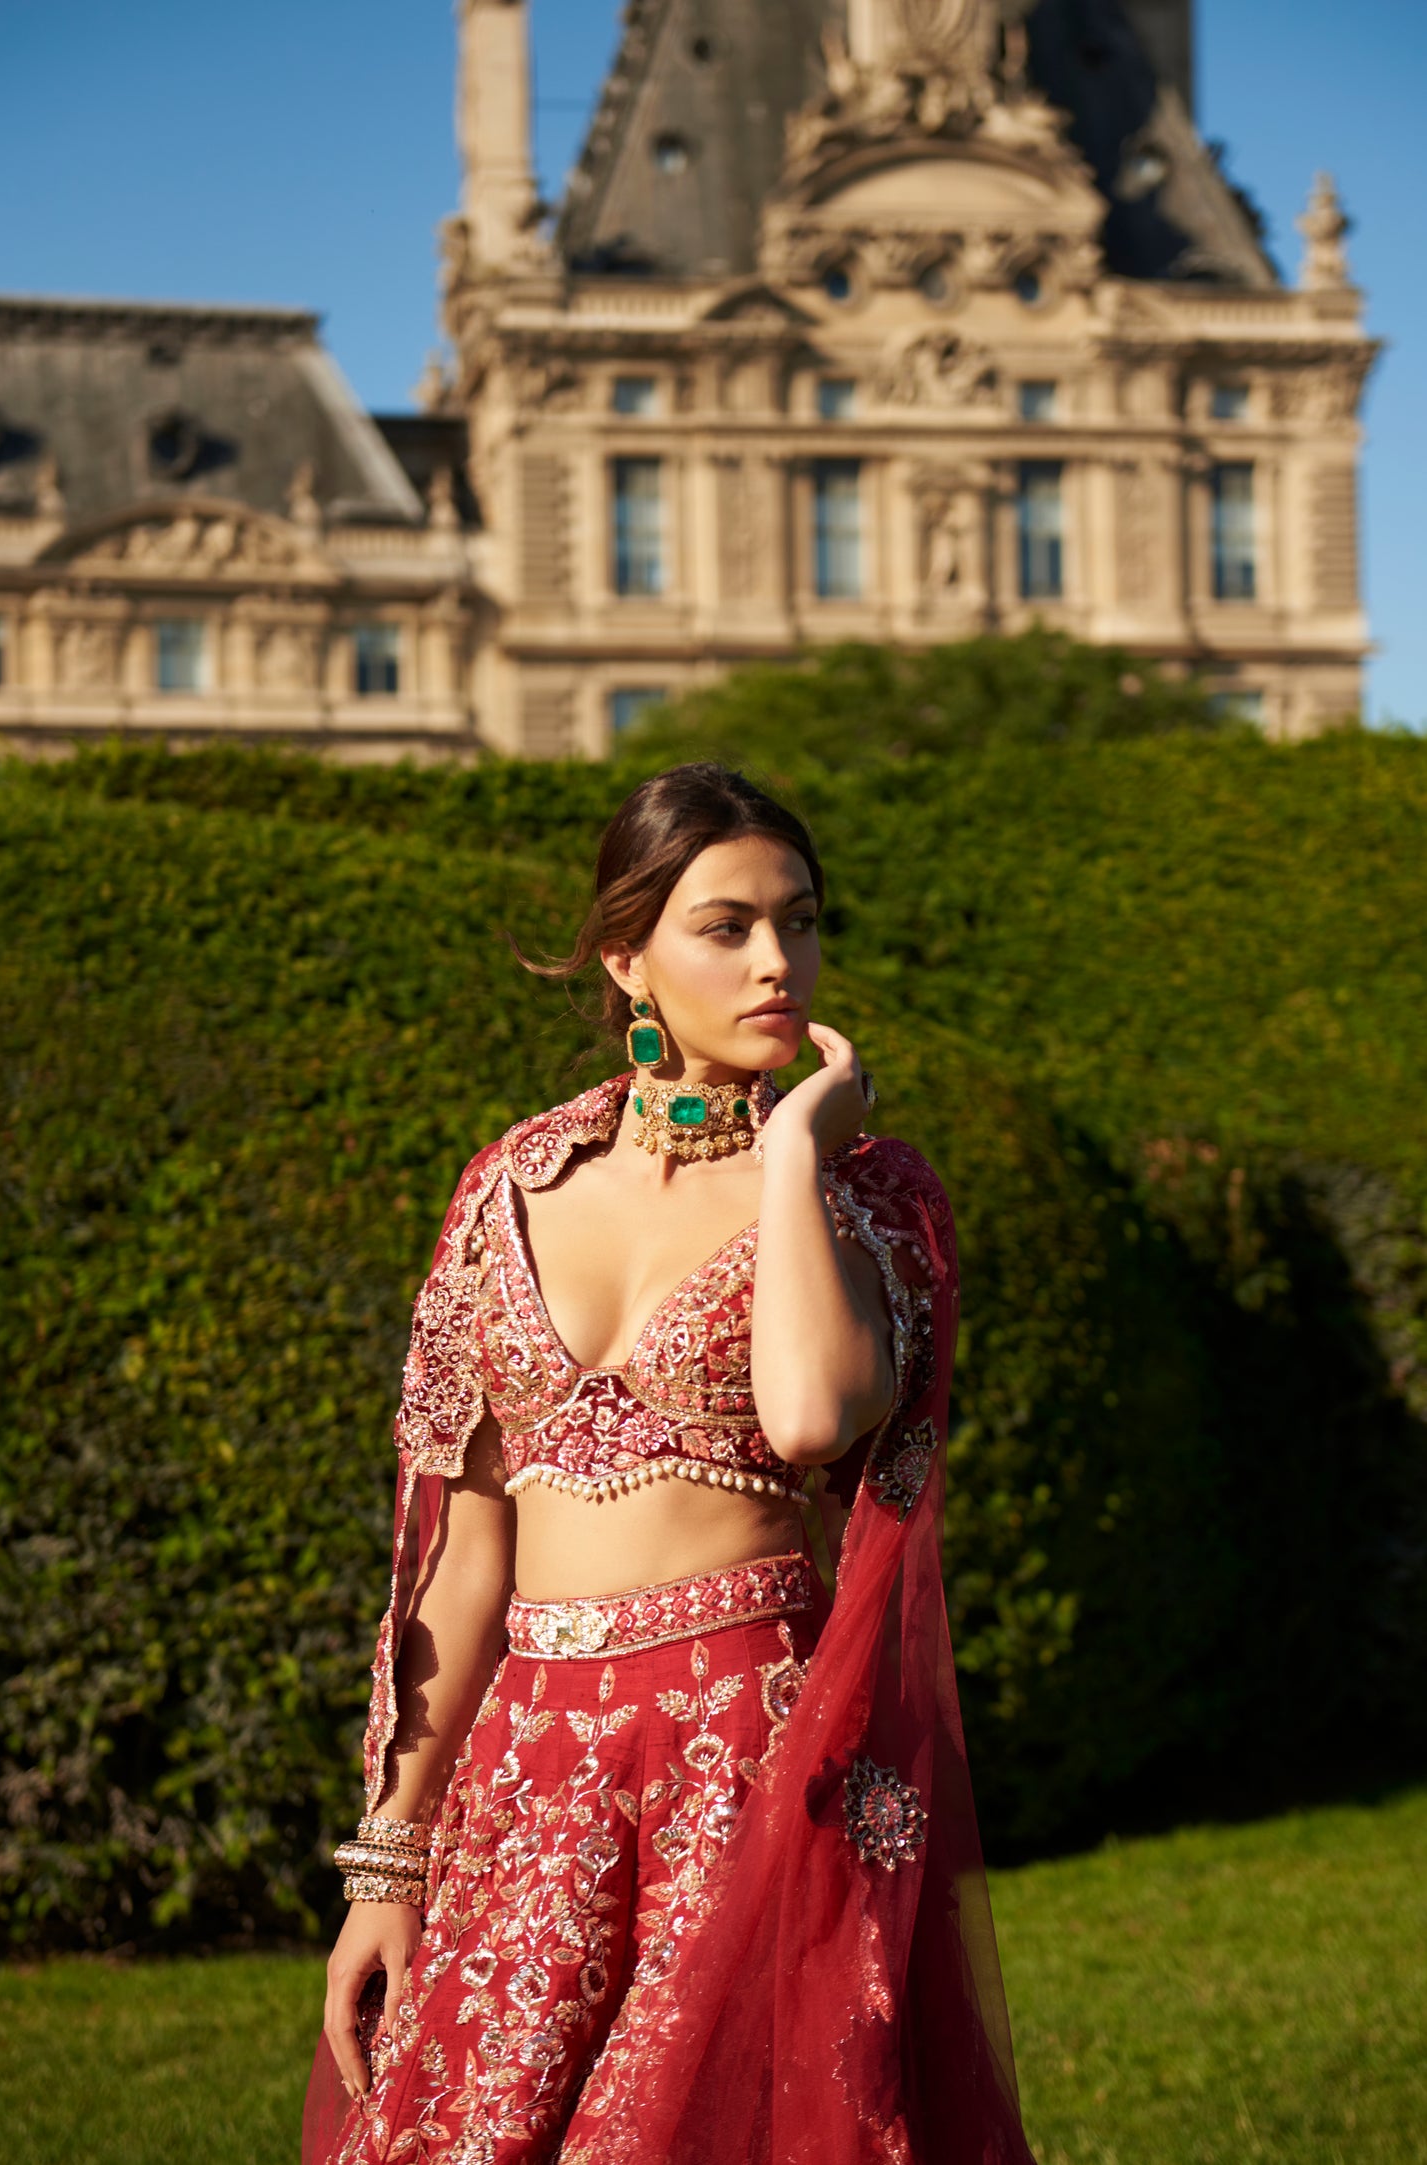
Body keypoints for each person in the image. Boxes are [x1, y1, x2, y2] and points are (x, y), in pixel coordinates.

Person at [302, 762, 1036, 2165]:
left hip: (747, 1768)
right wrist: (388, 1856)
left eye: (800, 921)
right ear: (626, 954)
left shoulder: (865, 1195)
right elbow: (463, 1555)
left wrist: (786, 1159)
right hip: (527, 1779)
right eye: (728, 926)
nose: (778, 960)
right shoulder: (511, 1183)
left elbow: (816, 1417)